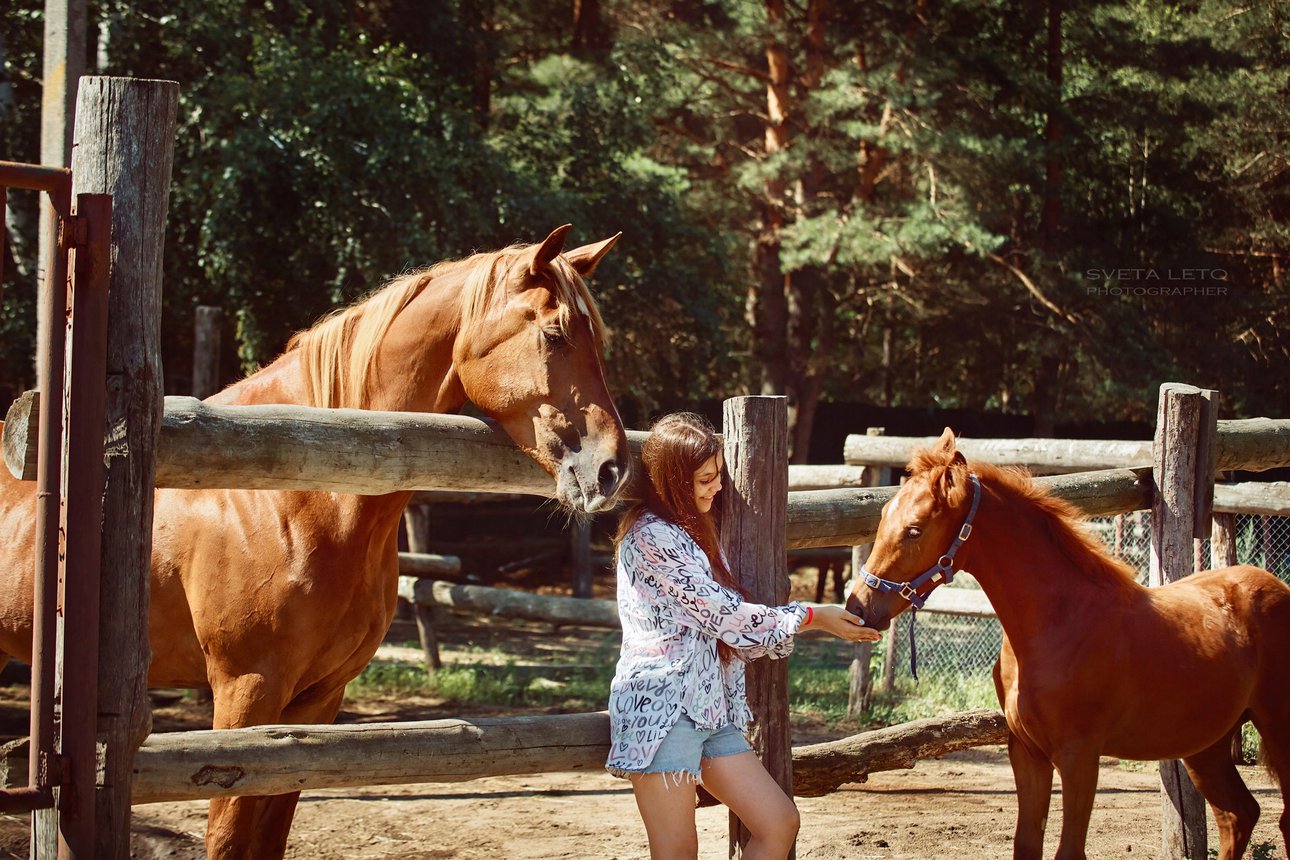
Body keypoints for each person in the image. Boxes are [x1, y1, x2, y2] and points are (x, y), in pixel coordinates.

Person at [606, 412, 881, 860]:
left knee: (779, 822)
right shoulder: (650, 538)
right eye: (705, 479)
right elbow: (726, 617)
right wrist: (812, 615)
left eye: (718, 476)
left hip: (708, 711)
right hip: (662, 711)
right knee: (677, 853)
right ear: (674, 481)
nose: (717, 488)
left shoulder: (690, 534)